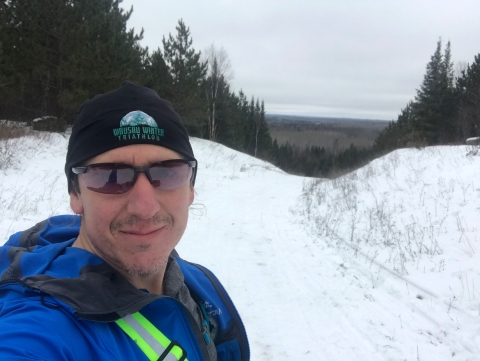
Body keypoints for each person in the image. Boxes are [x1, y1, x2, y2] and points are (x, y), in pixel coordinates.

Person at [0, 81, 249, 361]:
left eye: (167, 174)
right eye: (111, 177)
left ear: (190, 188)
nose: (145, 207)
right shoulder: (40, 328)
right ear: (75, 193)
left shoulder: (196, 284)